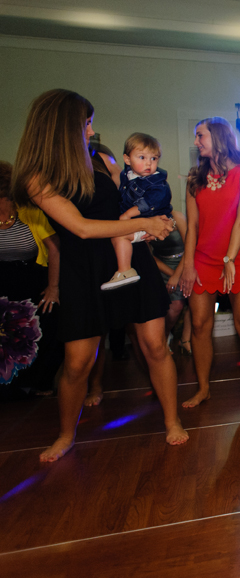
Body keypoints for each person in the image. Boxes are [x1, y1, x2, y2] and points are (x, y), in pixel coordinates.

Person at [12, 89, 187, 461]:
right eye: (86, 122)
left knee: (156, 345)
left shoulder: (99, 158)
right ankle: (65, 434)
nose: (91, 128)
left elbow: (126, 200)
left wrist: (150, 222)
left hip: (129, 258)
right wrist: (144, 222)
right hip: (84, 269)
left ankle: (172, 420)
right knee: (77, 362)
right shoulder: (37, 177)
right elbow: (81, 228)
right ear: (64, 127)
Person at [179, 117, 240, 407]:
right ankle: (203, 388)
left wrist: (229, 257)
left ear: (217, 137)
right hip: (203, 261)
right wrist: (188, 265)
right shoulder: (195, 178)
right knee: (200, 326)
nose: (196, 141)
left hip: (238, 259)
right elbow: (192, 227)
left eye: (200, 135)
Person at [0, 161, 63, 397]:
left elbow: (54, 248)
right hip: (2, 284)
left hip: (32, 280)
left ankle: (39, 383)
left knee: (45, 328)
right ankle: (9, 389)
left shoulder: (29, 211)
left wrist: (53, 287)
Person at [102, 133, 173, 290]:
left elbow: (148, 203)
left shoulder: (157, 183)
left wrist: (127, 214)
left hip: (152, 221)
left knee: (119, 235)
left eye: (154, 159)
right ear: (127, 160)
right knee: (118, 236)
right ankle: (125, 269)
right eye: (142, 157)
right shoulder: (127, 175)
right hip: (141, 223)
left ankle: (125, 270)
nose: (149, 163)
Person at [149, 209, 192, 355]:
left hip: (185, 262)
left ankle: (185, 339)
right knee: (170, 307)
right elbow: (147, 255)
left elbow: (190, 247)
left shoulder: (177, 216)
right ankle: (164, 336)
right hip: (160, 265)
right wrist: (172, 274)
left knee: (187, 304)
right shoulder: (144, 220)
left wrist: (178, 275)